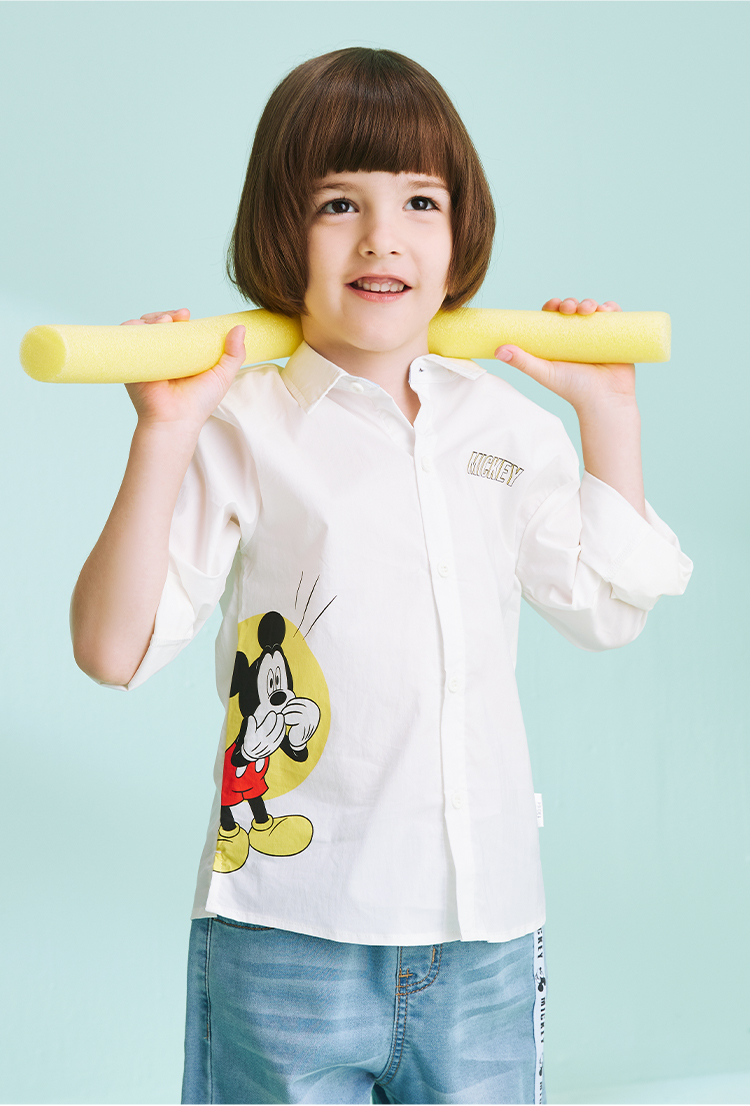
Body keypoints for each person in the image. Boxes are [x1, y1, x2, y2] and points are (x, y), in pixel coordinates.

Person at [70, 47, 692, 1106]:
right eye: (337, 203)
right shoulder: (240, 423)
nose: (382, 237)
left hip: (485, 931)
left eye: (419, 200)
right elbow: (109, 648)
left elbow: (607, 613)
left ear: (460, 229)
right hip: (288, 928)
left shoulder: (509, 429)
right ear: (281, 230)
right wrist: (162, 436)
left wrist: (611, 416)